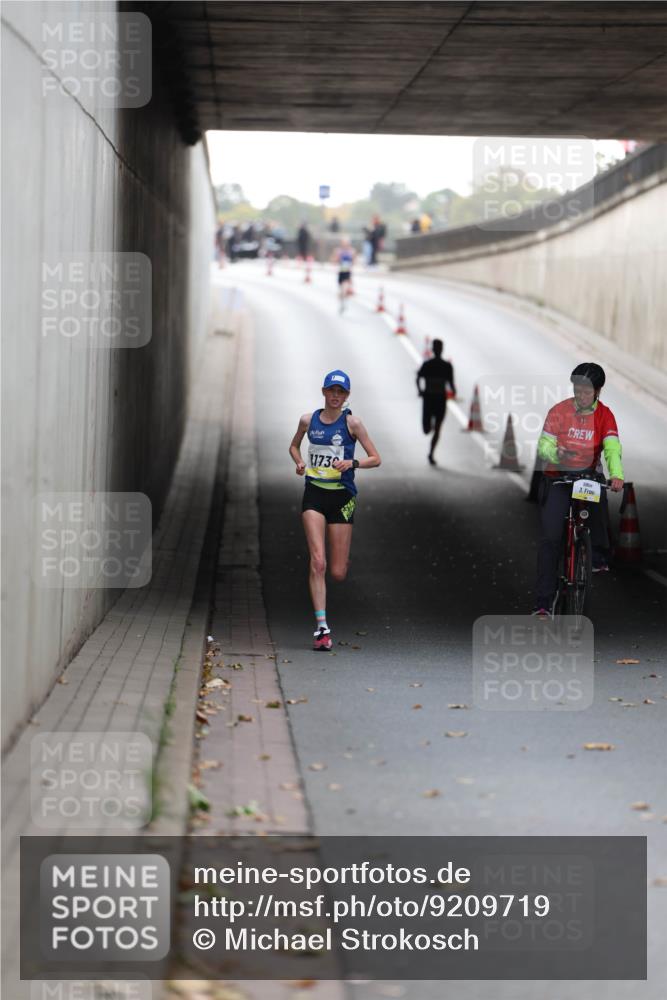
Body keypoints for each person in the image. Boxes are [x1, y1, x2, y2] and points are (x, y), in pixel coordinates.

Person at [289, 370, 381, 650]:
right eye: (332, 391)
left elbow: (376, 459)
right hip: (314, 494)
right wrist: (300, 463)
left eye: (341, 392)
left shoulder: (353, 424)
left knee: (338, 572)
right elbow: (294, 446)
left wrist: (352, 464)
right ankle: (322, 629)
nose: (335, 396)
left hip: (343, 498)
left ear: (347, 396)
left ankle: (342, 562)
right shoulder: (308, 420)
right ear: (323, 391)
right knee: (319, 562)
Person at [532, 362, 624, 617]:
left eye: (586, 391)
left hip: (586, 475)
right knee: (550, 538)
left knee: (598, 501)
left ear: (598, 391)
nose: (581, 396)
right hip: (558, 477)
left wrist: (616, 475)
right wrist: (555, 452)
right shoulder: (559, 411)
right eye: (577, 390)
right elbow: (544, 446)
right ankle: (543, 603)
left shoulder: (605, 415)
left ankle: (597, 554)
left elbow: (612, 448)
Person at [416, 340, 456, 465]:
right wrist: (421, 390)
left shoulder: (446, 366)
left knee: (438, 428)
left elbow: (451, 383)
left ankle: (431, 454)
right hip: (430, 399)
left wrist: (453, 392)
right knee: (427, 430)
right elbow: (418, 378)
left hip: (439, 400)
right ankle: (431, 427)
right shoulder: (428, 364)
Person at [332, 238, 355, 313]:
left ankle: (344, 302)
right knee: (341, 290)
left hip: (347, 273)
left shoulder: (351, 251)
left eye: (347, 243)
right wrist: (337, 260)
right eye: (344, 243)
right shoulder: (338, 251)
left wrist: (351, 266)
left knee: (345, 288)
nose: (345, 244)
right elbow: (335, 260)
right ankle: (342, 303)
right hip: (341, 272)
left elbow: (354, 261)